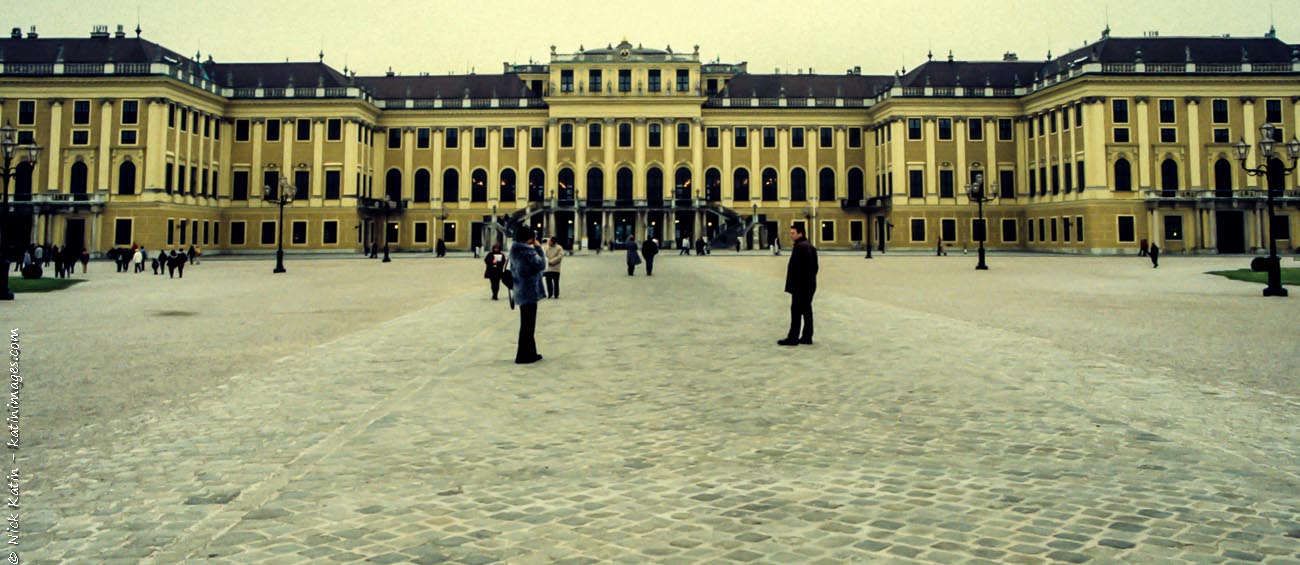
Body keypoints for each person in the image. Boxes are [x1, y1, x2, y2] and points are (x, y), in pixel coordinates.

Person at [509, 226, 546, 364]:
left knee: (527, 324)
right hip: (529, 290)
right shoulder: (526, 251)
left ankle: (530, 352)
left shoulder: (514, 249)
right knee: (528, 325)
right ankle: (523, 355)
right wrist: (539, 248)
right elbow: (541, 264)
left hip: (520, 289)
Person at [778, 224, 819, 346]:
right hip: (809, 285)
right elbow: (815, 267)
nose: (791, 235)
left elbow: (797, 269)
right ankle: (807, 336)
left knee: (796, 311)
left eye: (793, 233)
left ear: (800, 233)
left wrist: (795, 285)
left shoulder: (800, 247)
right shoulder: (810, 247)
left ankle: (793, 337)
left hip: (800, 286)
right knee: (806, 310)